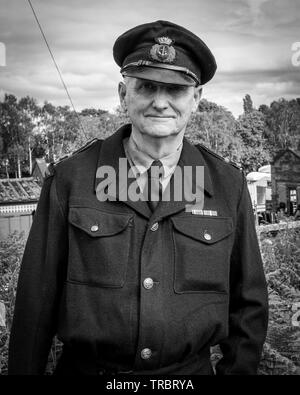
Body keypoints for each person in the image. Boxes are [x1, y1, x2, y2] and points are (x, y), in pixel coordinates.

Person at [8, 20, 268, 375]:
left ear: (196, 99)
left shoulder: (226, 186)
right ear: (123, 94)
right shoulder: (73, 179)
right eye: (146, 86)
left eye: (175, 90)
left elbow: (249, 306)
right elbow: (35, 306)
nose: (160, 102)